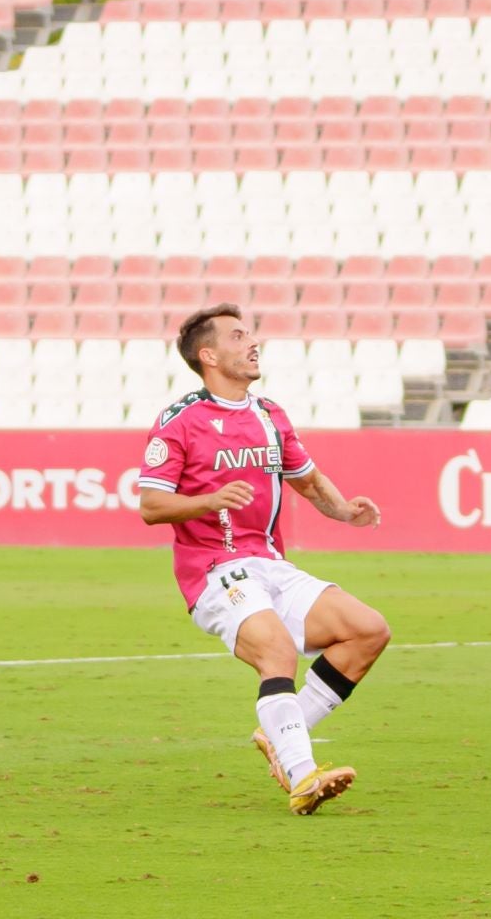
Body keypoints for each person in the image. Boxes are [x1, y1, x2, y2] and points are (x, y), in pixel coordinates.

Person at [137, 304, 391, 815]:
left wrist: (344, 510)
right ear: (208, 355)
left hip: (269, 563)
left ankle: (278, 733)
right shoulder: (181, 421)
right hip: (213, 570)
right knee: (277, 651)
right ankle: (302, 776)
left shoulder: (270, 415)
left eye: (250, 333)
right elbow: (151, 505)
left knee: (368, 630)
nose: (252, 343)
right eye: (237, 336)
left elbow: (307, 479)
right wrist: (207, 501)